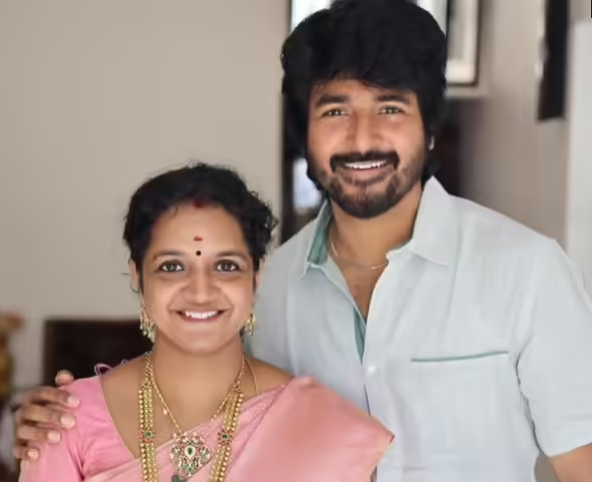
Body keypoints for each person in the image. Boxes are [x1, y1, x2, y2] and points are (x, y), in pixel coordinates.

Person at [12, 0, 592, 480]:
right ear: (304, 134)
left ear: (430, 128)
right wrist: (67, 418)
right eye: (335, 110)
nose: (362, 137)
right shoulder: (268, 289)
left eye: (390, 107)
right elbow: (204, 416)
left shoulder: (525, 271)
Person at [15, 163, 393, 482]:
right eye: (172, 267)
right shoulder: (65, 421)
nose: (200, 291)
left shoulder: (317, 426)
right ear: (138, 276)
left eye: (226, 266)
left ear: (256, 276)